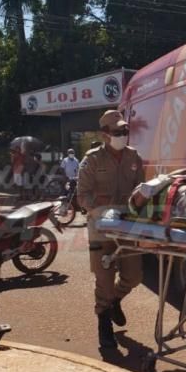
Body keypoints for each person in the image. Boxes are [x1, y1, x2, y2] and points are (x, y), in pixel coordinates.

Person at [78, 110, 145, 348]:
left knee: (134, 276)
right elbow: (82, 196)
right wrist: (99, 207)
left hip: (127, 225)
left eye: (125, 131)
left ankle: (116, 299)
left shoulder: (134, 157)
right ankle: (103, 322)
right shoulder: (92, 159)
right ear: (105, 135)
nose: (123, 135)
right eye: (118, 132)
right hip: (101, 226)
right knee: (104, 278)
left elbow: (141, 190)